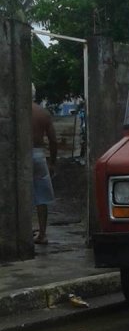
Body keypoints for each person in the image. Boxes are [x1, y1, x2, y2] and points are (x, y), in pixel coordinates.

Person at [32, 91, 57, 245]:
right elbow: (53, 140)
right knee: (41, 196)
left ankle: (20, 231)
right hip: (38, 155)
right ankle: (42, 233)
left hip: (20, 155)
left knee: (20, 195)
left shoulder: (18, 111)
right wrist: (52, 162)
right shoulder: (42, 113)